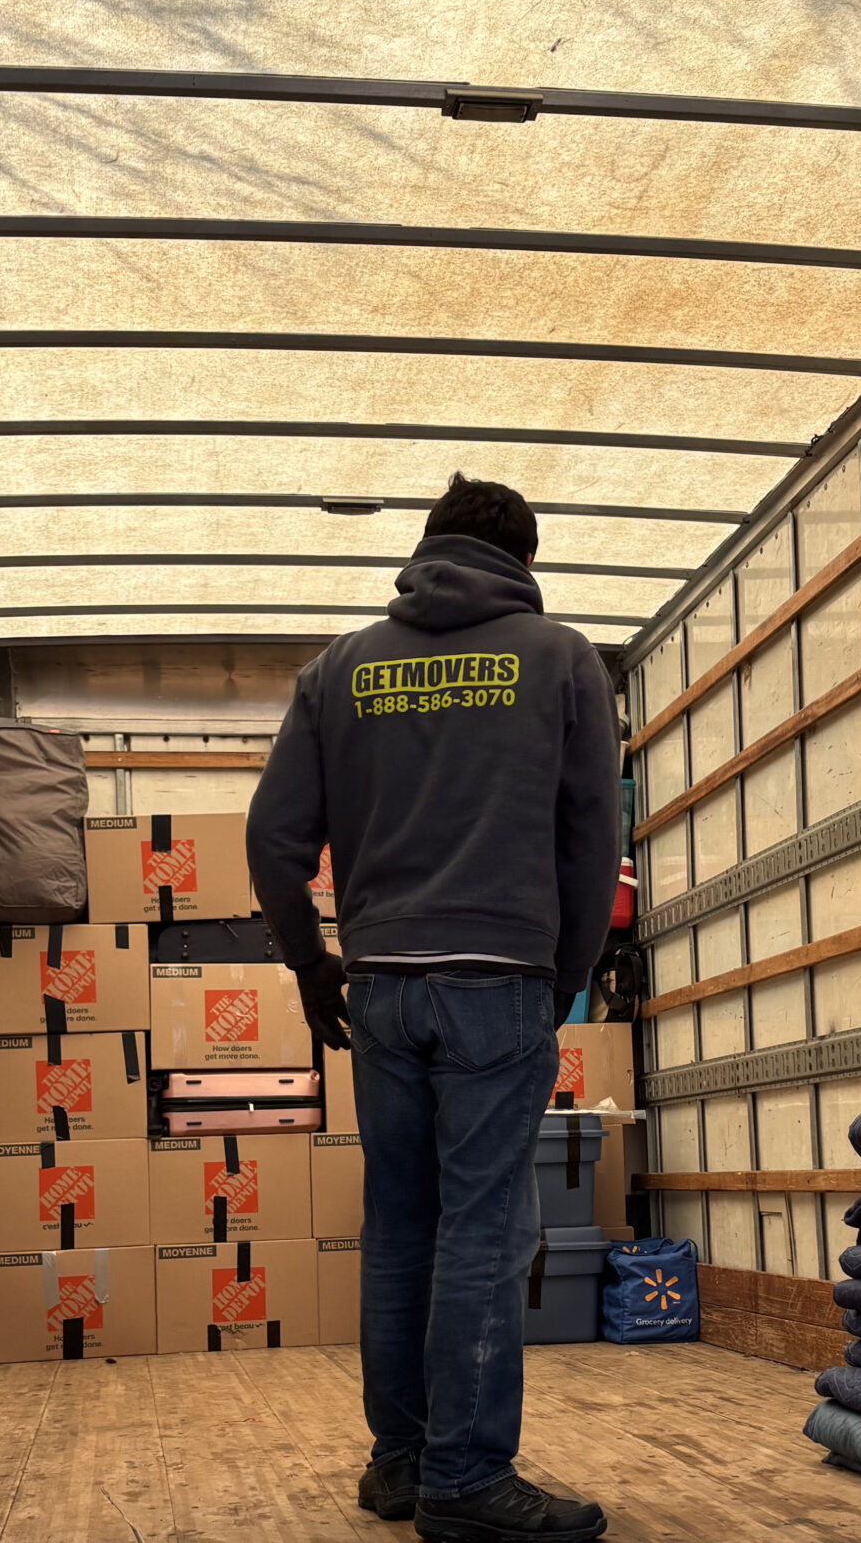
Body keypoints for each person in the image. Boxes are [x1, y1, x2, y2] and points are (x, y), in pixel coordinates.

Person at [247, 473, 622, 1543]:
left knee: (401, 1226)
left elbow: (273, 841)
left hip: (383, 987)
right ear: (527, 561)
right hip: (498, 981)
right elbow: (592, 836)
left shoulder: (340, 669)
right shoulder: (559, 661)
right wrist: (565, 974)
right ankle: (464, 1480)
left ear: (426, 548)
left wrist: (317, 967)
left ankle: (402, 1464)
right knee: (486, 1233)